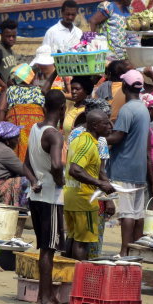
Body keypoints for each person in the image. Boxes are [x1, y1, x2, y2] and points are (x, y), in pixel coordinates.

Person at [107, 69, 153, 256]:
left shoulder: (127, 110)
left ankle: (124, 251)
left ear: (126, 87)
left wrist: (102, 138)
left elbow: (119, 136)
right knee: (137, 214)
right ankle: (134, 251)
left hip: (124, 167)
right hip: (139, 168)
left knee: (127, 213)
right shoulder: (143, 108)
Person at [24, 90, 66, 304]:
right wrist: (61, 181)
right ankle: (44, 297)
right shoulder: (54, 135)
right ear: (62, 109)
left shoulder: (34, 129)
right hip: (50, 196)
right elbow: (57, 165)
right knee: (48, 249)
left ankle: (47, 293)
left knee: (45, 247)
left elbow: (25, 164)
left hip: (36, 193)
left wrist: (33, 180)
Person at [64, 110, 115, 261]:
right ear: (94, 125)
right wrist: (99, 183)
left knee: (72, 238)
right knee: (82, 242)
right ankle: (77, 278)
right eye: (105, 123)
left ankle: (69, 277)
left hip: (72, 197)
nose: (110, 126)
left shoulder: (79, 140)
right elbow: (75, 169)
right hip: (83, 199)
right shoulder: (87, 144)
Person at [0, 63, 55, 161]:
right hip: (36, 132)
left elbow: (1, 109)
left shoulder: (10, 90)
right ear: (30, 78)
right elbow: (45, 110)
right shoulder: (38, 91)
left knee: (16, 159)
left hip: (16, 133)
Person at [0, 122, 37, 207]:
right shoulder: (4, 151)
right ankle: (22, 212)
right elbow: (24, 171)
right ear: (7, 141)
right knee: (28, 180)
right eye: (16, 138)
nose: (18, 141)